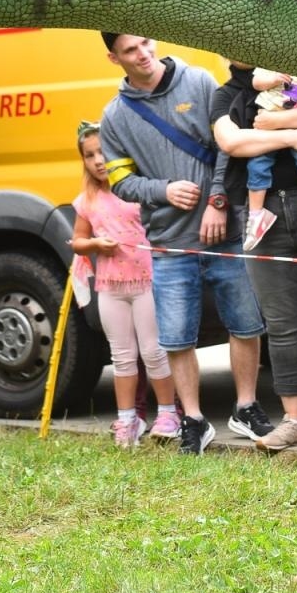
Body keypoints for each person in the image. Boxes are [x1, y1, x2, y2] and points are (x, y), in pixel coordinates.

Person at [98, 33, 272, 455]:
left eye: (145, 43)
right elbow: (119, 180)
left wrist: (217, 201)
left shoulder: (199, 83)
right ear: (113, 58)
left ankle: (246, 406)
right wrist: (162, 190)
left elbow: (229, 149)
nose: (143, 54)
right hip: (168, 242)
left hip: (224, 231)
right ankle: (193, 419)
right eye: (130, 50)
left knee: (246, 323)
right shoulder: (115, 116)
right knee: (176, 337)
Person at [210, 61, 297, 453]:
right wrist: (291, 136)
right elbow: (232, 143)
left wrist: (269, 126)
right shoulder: (226, 95)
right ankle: (295, 420)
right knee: (282, 322)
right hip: (263, 216)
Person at [69, 120, 178, 448]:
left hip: (146, 282)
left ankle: (168, 412)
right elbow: (77, 240)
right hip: (110, 287)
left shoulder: (136, 191)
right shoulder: (86, 200)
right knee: (122, 356)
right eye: (90, 155)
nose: (99, 160)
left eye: (103, 152)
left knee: (154, 351)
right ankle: (127, 418)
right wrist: (94, 246)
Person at [241, 69, 297, 253]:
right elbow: (256, 82)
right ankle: (256, 215)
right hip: (270, 118)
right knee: (257, 163)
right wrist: (272, 79)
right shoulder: (269, 62)